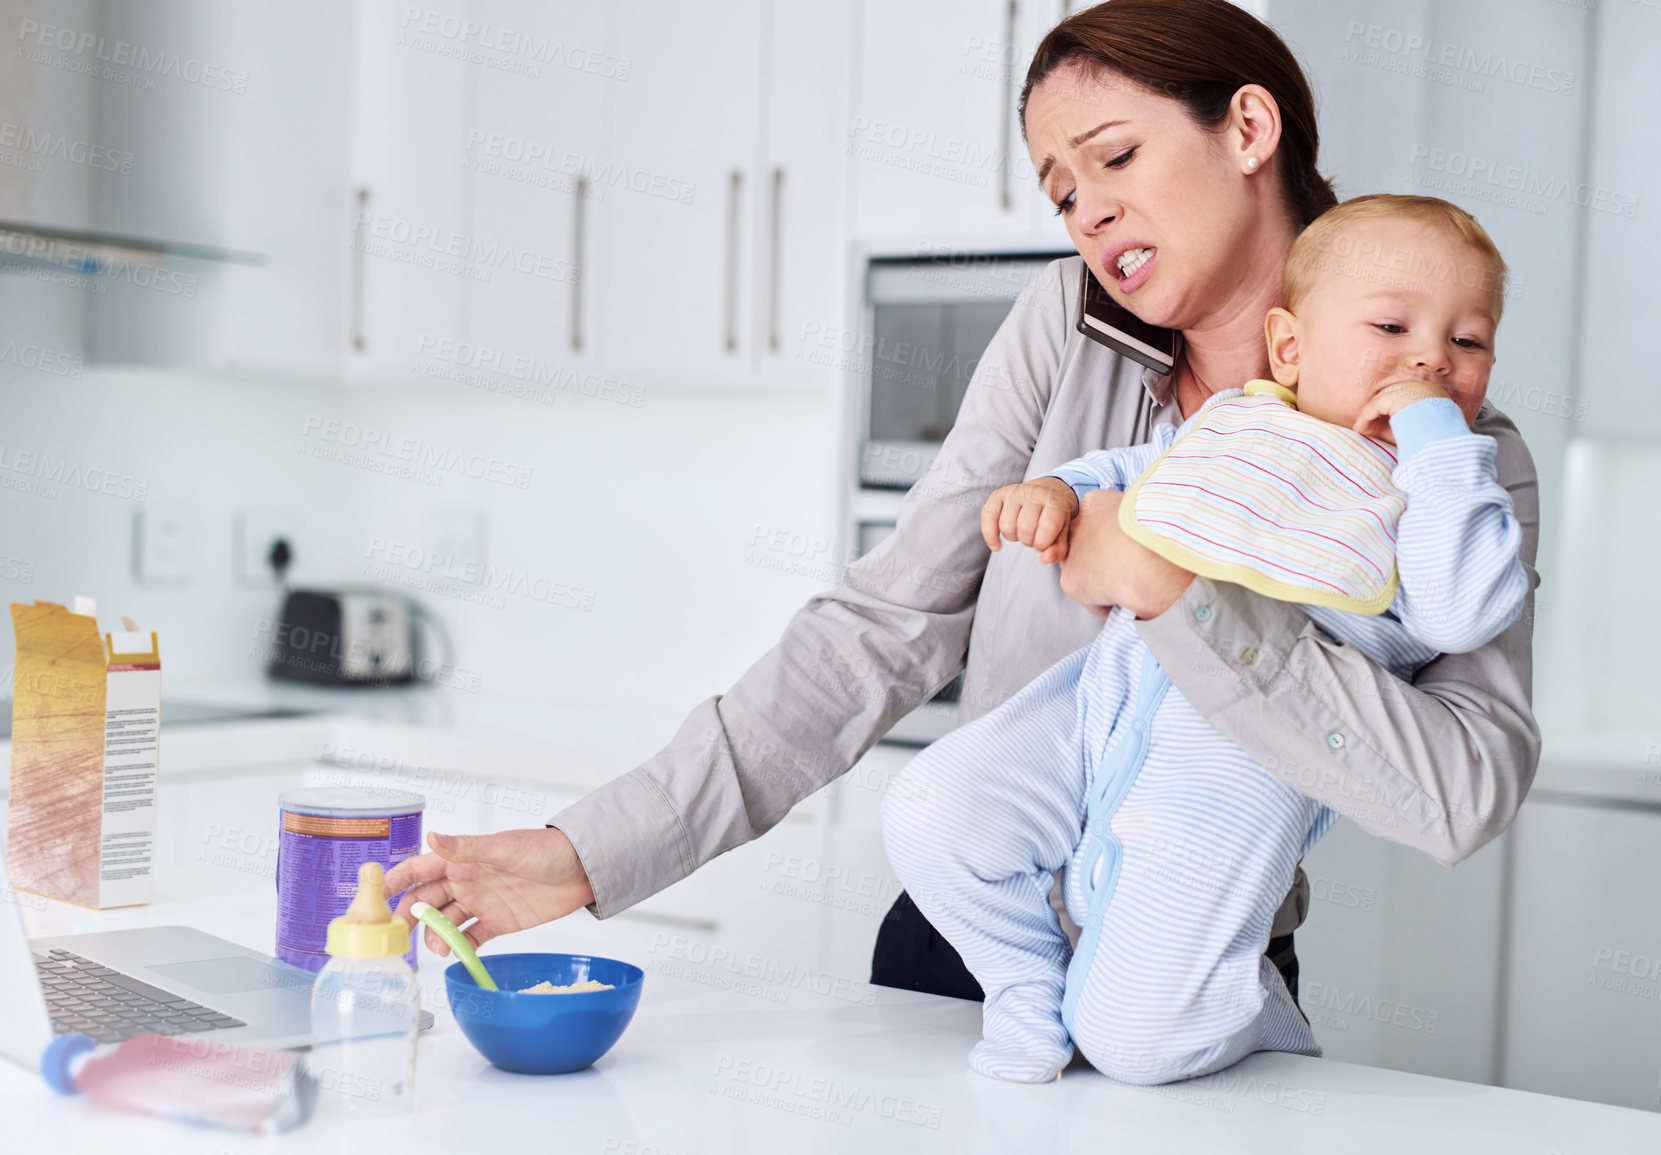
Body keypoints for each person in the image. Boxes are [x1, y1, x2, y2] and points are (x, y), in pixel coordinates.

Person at [382, 0, 1541, 1022]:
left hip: (1196, 980)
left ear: (1248, 129)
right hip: (964, 951)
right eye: (1064, 190)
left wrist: (1181, 599)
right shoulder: (1063, 325)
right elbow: (881, 631)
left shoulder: (1458, 466)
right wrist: (595, 851)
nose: (1087, 213)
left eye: (1116, 157)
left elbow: (1461, 789)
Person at [882, 194, 1527, 1085]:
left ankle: (1256, 1009)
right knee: (931, 807)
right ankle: (1023, 985)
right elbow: (1137, 475)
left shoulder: (1439, 489)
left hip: (1236, 758)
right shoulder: (1243, 422)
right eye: (1391, 326)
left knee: (1134, 1045)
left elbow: (1462, 608)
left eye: (1469, 341)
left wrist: (1434, 443)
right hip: (1099, 699)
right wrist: (1062, 492)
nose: (1429, 358)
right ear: (1291, 347)